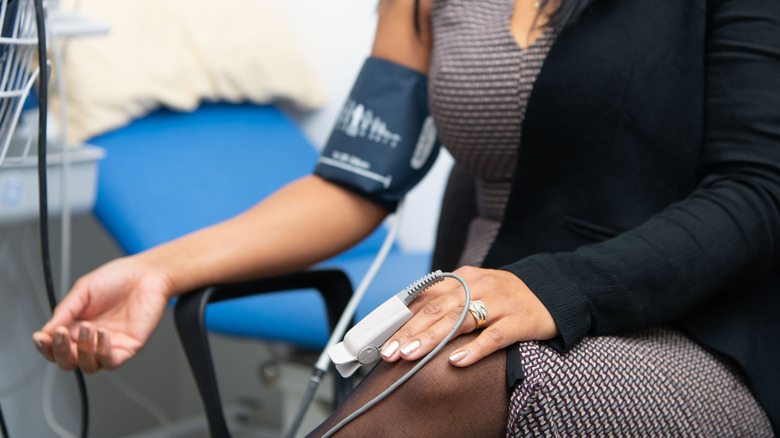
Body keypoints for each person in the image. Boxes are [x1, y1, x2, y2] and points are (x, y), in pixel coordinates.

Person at [33, 0, 779, 436]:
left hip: (688, 330)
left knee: (449, 372)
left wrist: (554, 288)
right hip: (469, 317)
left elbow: (758, 192)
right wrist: (158, 268)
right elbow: (354, 183)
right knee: (440, 359)